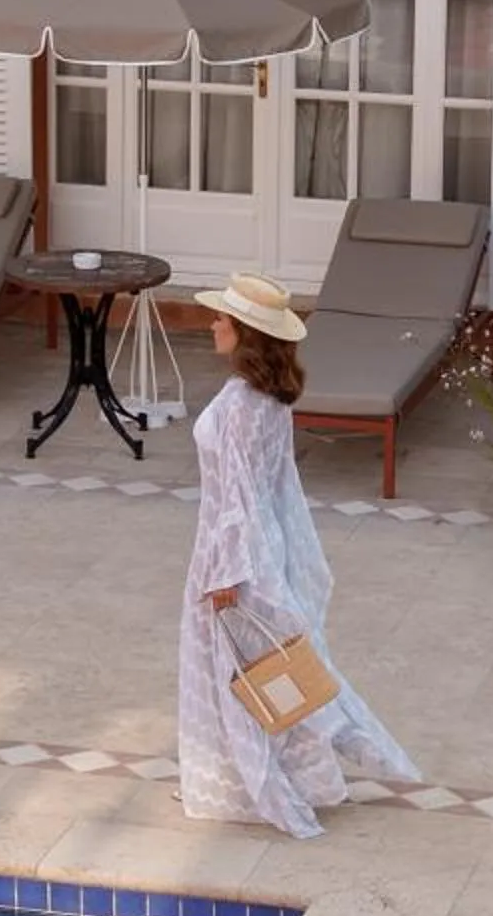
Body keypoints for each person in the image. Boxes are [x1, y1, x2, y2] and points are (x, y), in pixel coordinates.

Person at [177, 271, 420, 839]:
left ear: (244, 334)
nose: (213, 324)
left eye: (223, 319)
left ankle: (256, 783)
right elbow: (274, 489)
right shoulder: (270, 399)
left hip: (233, 555)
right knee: (272, 670)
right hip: (263, 547)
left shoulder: (241, 405)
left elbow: (237, 498)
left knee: (243, 675)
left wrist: (225, 572)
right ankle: (270, 773)